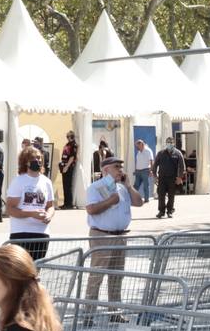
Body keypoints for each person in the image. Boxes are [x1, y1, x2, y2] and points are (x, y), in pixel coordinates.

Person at [84, 155, 144, 311]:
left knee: (117, 275)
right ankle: (89, 312)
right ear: (106, 170)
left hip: (120, 235)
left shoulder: (122, 187)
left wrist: (129, 187)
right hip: (102, 235)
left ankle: (114, 311)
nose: (120, 170)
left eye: (121, 167)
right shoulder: (96, 187)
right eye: (116, 167)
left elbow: (139, 202)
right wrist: (110, 201)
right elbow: (91, 209)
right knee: (97, 275)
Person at [8, 155, 56, 260]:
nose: (37, 161)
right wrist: (31, 214)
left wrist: (48, 215)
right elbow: (11, 209)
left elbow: (51, 206)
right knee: (20, 271)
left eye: (39, 158)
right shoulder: (18, 181)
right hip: (21, 232)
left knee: (35, 270)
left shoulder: (46, 181)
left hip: (41, 233)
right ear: (26, 162)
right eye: (33, 158)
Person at [154, 136, 183, 219]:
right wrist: (155, 176)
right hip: (162, 178)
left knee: (171, 195)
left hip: (172, 178)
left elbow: (181, 166)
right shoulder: (161, 153)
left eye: (170, 142)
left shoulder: (178, 153)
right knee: (161, 195)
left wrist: (179, 177)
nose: (169, 144)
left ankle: (170, 211)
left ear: (173, 143)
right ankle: (161, 211)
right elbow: (155, 165)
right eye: (167, 142)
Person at [59, 131, 78, 209]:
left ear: (71, 136)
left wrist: (66, 167)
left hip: (69, 166)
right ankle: (65, 203)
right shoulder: (68, 144)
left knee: (68, 185)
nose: (67, 137)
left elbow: (72, 157)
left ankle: (69, 204)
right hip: (64, 165)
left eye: (68, 136)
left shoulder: (74, 145)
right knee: (65, 185)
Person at [132, 138, 154, 202]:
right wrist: (135, 170)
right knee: (136, 186)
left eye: (137, 146)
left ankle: (146, 199)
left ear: (141, 144)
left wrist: (151, 170)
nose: (137, 147)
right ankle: (133, 198)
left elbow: (151, 161)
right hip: (138, 171)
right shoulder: (138, 152)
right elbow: (138, 162)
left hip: (145, 170)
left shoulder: (148, 151)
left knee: (145, 186)